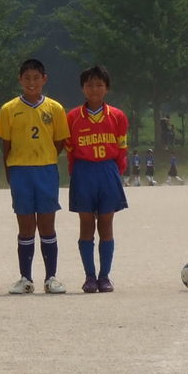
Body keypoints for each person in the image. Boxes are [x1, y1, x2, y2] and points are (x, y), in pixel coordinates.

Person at [0, 58, 71, 294]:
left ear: (44, 80)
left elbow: (59, 141)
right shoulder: (9, 109)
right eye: (27, 78)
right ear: (20, 80)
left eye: (36, 78)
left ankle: (51, 277)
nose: (32, 82)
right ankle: (25, 278)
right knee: (26, 226)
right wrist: (11, 170)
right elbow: (6, 145)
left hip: (46, 170)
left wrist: (44, 157)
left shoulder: (55, 109)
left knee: (47, 226)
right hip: (20, 171)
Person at [66, 64, 129, 292]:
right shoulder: (73, 117)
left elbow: (122, 149)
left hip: (108, 172)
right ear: (83, 88)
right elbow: (70, 151)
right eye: (90, 85)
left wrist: (116, 173)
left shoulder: (118, 116)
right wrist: (76, 173)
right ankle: (89, 276)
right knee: (86, 226)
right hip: (84, 172)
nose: (94, 89)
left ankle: (104, 276)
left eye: (99, 85)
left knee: (106, 225)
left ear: (107, 89)